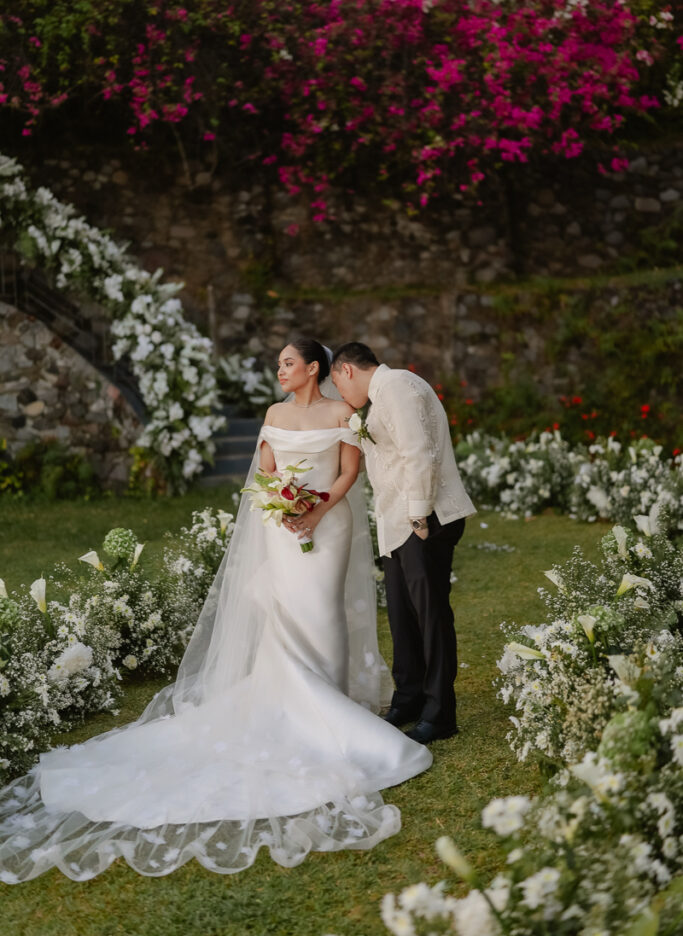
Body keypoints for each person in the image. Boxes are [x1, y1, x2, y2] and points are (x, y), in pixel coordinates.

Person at [0, 337, 431, 884]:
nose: (280, 370)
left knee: (323, 610)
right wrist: (283, 499)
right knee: (285, 611)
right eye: (278, 364)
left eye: (288, 363)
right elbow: (266, 467)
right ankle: (295, 702)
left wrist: (317, 507)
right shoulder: (274, 414)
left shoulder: (342, 412)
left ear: (313, 368)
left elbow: (349, 471)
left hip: (329, 526)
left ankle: (330, 698)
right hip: (282, 526)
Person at [330, 343, 476, 745]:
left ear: (346, 370)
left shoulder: (396, 386)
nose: (342, 395)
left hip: (425, 518)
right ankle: (409, 698)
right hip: (398, 524)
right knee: (401, 614)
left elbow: (418, 454)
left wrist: (418, 517)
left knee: (430, 617)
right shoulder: (380, 396)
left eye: (338, 386)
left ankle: (440, 713)